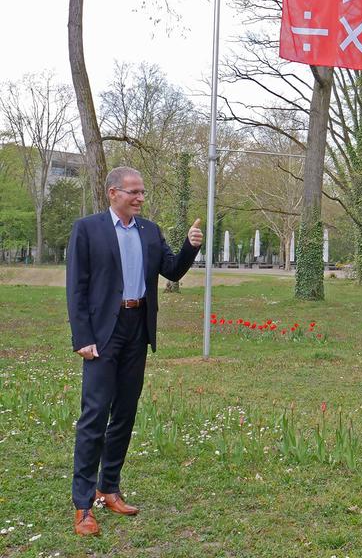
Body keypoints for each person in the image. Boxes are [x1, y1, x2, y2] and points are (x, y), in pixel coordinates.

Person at [66, 166, 203, 536]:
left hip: (136, 328)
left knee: (124, 413)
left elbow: (172, 272)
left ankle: (108, 487)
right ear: (113, 193)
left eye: (142, 192)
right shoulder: (88, 229)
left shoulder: (150, 231)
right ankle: (83, 506)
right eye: (133, 192)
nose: (140, 198)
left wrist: (190, 246)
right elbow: (76, 288)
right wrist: (82, 337)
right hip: (102, 334)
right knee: (94, 416)